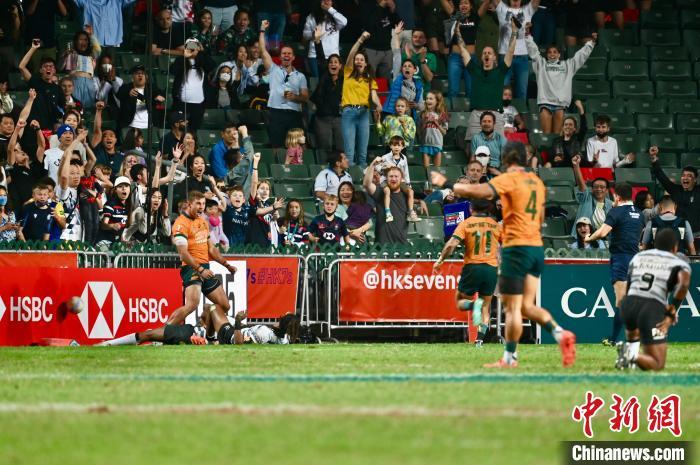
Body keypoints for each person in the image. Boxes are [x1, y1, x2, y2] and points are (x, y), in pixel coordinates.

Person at [430, 141, 577, 368]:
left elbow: (476, 191)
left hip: (516, 248)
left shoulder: (508, 178)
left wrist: (446, 183)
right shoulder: (537, 182)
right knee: (526, 306)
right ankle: (560, 334)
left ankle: (510, 358)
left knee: (512, 309)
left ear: (506, 159)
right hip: (535, 247)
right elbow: (539, 218)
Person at [98, 190, 238, 346]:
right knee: (191, 304)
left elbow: (211, 248)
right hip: (191, 268)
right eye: (198, 203)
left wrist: (226, 265)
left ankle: (209, 333)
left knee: (224, 305)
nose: (201, 207)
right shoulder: (180, 224)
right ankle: (162, 334)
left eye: (203, 204)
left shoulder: (203, 222)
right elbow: (183, 254)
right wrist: (200, 270)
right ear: (189, 204)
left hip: (205, 267)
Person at [615, 229, 692, 371]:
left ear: (655, 244)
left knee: (633, 332)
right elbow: (684, 284)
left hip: (629, 304)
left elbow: (629, 284)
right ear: (675, 247)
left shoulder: (638, 257)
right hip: (652, 308)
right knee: (657, 363)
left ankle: (627, 359)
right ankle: (630, 355)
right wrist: (672, 310)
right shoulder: (678, 262)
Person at [434, 199, 502, 346]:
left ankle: (473, 305)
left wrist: (440, 260)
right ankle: (479, 340)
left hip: (473, 266)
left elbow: (451, 244)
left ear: (471, 209)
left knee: (460, 301)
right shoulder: (496, 225)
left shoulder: (466, 223)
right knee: (486, 306)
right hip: (491, 268)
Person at [584, 182, 645, 346]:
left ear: (617, 196)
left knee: (621, 301)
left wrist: (589, 238)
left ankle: (613, 339)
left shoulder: (616, 211)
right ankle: (636, 337)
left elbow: (603, 232)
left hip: (621, 259)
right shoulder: (640, 214)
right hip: (636, 259)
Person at [457, 18, 517, 140]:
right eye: (484, 53)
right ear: (481, 57)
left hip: (496, 115)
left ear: (494, 57)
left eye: (489, 53)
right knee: (472, 148)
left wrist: (514, 31)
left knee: (498, 148)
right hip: (476, 116)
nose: (487, 54)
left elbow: (510, 51)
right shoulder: (474, 70)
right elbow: (463, 51)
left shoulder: (500, 70)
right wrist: (457, 32)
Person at [525, 30, 595, 134]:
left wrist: (591, 43)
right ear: (546, 54)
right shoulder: (541, 64)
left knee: (557, 136)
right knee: (547, 135)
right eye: (549, 52)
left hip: (560, 105)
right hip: (545, 103)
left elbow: (581, 56)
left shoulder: (567, 65)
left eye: (555, 52)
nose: (552, 54)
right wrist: (527, 36)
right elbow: (533, 51)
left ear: (559, 54)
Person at [258, 20, 309, 151]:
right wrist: (262, 30)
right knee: (277, 146)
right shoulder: (273, 69)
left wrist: (294, 97)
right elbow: (262, 50)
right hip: (276, 114)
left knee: (300, 146)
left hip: (294, 114)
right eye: (284, 54)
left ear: (293, 57)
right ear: (280, 57)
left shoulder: (300, 76)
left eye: (289, 54)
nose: (286, 56)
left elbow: (305, 97)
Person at [341, 31, 383, 168]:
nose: (358, 61)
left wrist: (378, 104)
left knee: (363, 154)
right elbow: (351, 54)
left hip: (364, 114)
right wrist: (360, 40)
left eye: (361, 60)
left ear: (365, 64)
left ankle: (362, 178)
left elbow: (374, 96)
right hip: (348, 113)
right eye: (356, 59)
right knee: (349, 153)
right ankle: (349, 178)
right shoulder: (348, 73)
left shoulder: (370, 79)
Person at [649, 146, 700, 246]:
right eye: (683, 175)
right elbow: (661, 176)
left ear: (695, 180)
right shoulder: (675, 190)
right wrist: (654, 158)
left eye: (689, 176)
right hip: (678, 234)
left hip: (697, 234)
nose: (685, 178)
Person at [493, 0, 541, 100]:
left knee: (522, 91)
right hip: (505, 55)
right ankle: (503, 110)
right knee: (503, 90)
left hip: (522, 56)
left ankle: (520, 110)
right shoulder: (502, 8)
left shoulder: (527, 9)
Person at [443, 0, 490, 99]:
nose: (463, 5)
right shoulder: (454, 15)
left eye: (466, 3)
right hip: (455, 58)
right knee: (453, 90)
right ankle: (451, 109)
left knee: (471, 90)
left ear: (471, 6)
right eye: (461, 3)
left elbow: (487, 2)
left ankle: (471, 109)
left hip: (470, 58)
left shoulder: (475, 17)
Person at [310, 31, 344, 164]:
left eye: (336, 62)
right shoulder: (324, 75)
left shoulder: (344, 81)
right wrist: (317, 41)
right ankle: (323, 170)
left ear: (340, 66)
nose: (333, 64)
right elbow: (320, 57)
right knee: (324, 148)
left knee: (341, 148)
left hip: (339, 119)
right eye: (330, 62)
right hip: (322, 119)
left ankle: (341, 171)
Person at [18, 42, 65, 129]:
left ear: (54, 70)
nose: (48, 68)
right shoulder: (35, 82)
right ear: (40, 70)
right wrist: (33, 48)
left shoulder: (58, 89)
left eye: (51, 66)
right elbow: (21, 67)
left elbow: (62, 108)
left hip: (50, 127)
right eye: (45, 66)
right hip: (33, 125)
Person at [383, 22, 425, 119]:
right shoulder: (397, 78)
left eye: (409, 66)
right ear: (401, 69)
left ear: (414, 70)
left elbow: (422, 106)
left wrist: (416, 105)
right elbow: (397, 55)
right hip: (394, 116)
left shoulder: (418, 85)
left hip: (409, 118)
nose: (406, 67)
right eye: (404, 66)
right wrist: (396, 35)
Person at [172, 40, 216, 132]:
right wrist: (184, 56)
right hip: (181, 103)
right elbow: (173, 70)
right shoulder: (181, 61)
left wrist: (202, 51)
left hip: (198, 105)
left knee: (194, 131)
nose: (192, 48)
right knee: (180, 130)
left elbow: (212, 65)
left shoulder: (202, 62)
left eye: (194, 46)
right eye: (190, 46)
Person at [375, 136, 419, 222]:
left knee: (410, 191)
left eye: (399, 145)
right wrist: (384, 167)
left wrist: (408, 184)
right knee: (387, 191)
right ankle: (388, 213)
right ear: (390, 146)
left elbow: (406, 172)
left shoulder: (404, 158)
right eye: (394, 145)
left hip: (399, 181)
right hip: (386, 180)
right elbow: (376, 167)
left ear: (403, 147)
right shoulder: (385, 157)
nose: (396, 147)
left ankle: (410, 213)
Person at [363, 162, 410, 244]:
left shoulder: (406, 195)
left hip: (402, 246)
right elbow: (367, 184)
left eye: (396, 176)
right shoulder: (380, 192)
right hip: (382, 246)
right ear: (386, 178)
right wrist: (373, 164)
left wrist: (420, 201)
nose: (393, 179)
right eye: (391, 176)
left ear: (402, 179)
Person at [302, 0, 348, 77]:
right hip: (314, 55)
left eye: (329, 0)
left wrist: (329, 9)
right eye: (324, 0)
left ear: (332, 2)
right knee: (316, 80)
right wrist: (313, 34)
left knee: (332, 80)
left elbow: (344, 22)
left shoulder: (335, 16)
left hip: (333, 56)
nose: (326, 2)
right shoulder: (312, 16)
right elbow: (305, 35)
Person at [571, 154, 612, 236]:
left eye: (602, 187)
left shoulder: (610, 204)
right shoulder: (586, 197)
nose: (599, 189)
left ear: (607, 190)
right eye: (596, 187)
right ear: (592, 189)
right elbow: (581, 184)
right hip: (583, 238)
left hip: (603, 238)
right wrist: (576, 166)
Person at [59, 28, 101, 109]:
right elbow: (60, 67)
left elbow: (98, 49)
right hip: (75, 82)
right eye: (81, 39)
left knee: (89, 108)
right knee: (76, 108)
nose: (83, 42)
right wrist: (65, 56)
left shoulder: (91, 55)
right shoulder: (71, 53)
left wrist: (91, 35)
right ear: (76, 41)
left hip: (89, 84)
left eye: (85, 40)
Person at [116, 65, 166, 131]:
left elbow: (162, 95)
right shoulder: (126, 87)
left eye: (143, 73)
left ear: (146, 77)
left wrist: (159, 97)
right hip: (131, 126)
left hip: (150, 127)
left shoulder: (152, 88)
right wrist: (128, 92)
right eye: (137, 73)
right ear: (132, 77)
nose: (140, 75)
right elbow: (119, 94)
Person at [361, 0, 401, 80]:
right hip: (371, 49)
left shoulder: (389, 11)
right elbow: (370, 25)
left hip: (387, 50)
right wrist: (381, 6)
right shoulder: (368, 6)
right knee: (369, 78)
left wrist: (393, 10)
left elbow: (400, 25)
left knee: (387, 80)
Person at [550, 100, 587, 168]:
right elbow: (551, 156)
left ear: (574, 128)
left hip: (574, 167)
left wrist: (581, 109)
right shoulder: (556, 141)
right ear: (563, 127)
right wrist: (555, 159)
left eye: (570, 125)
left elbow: (584, 128)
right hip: (561, 168)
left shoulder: (577, 138)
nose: (568, 127)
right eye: (566, 124)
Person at [471, 111, 506, 176]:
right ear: (480, 124)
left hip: (497, 170)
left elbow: (505, 161)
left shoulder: (501, 139)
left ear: (494, 124)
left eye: (489, 121)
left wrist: (499, 173)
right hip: (480, 171)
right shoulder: (475, 138)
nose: (486, 124)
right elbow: (472, 159)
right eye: (484, 121)